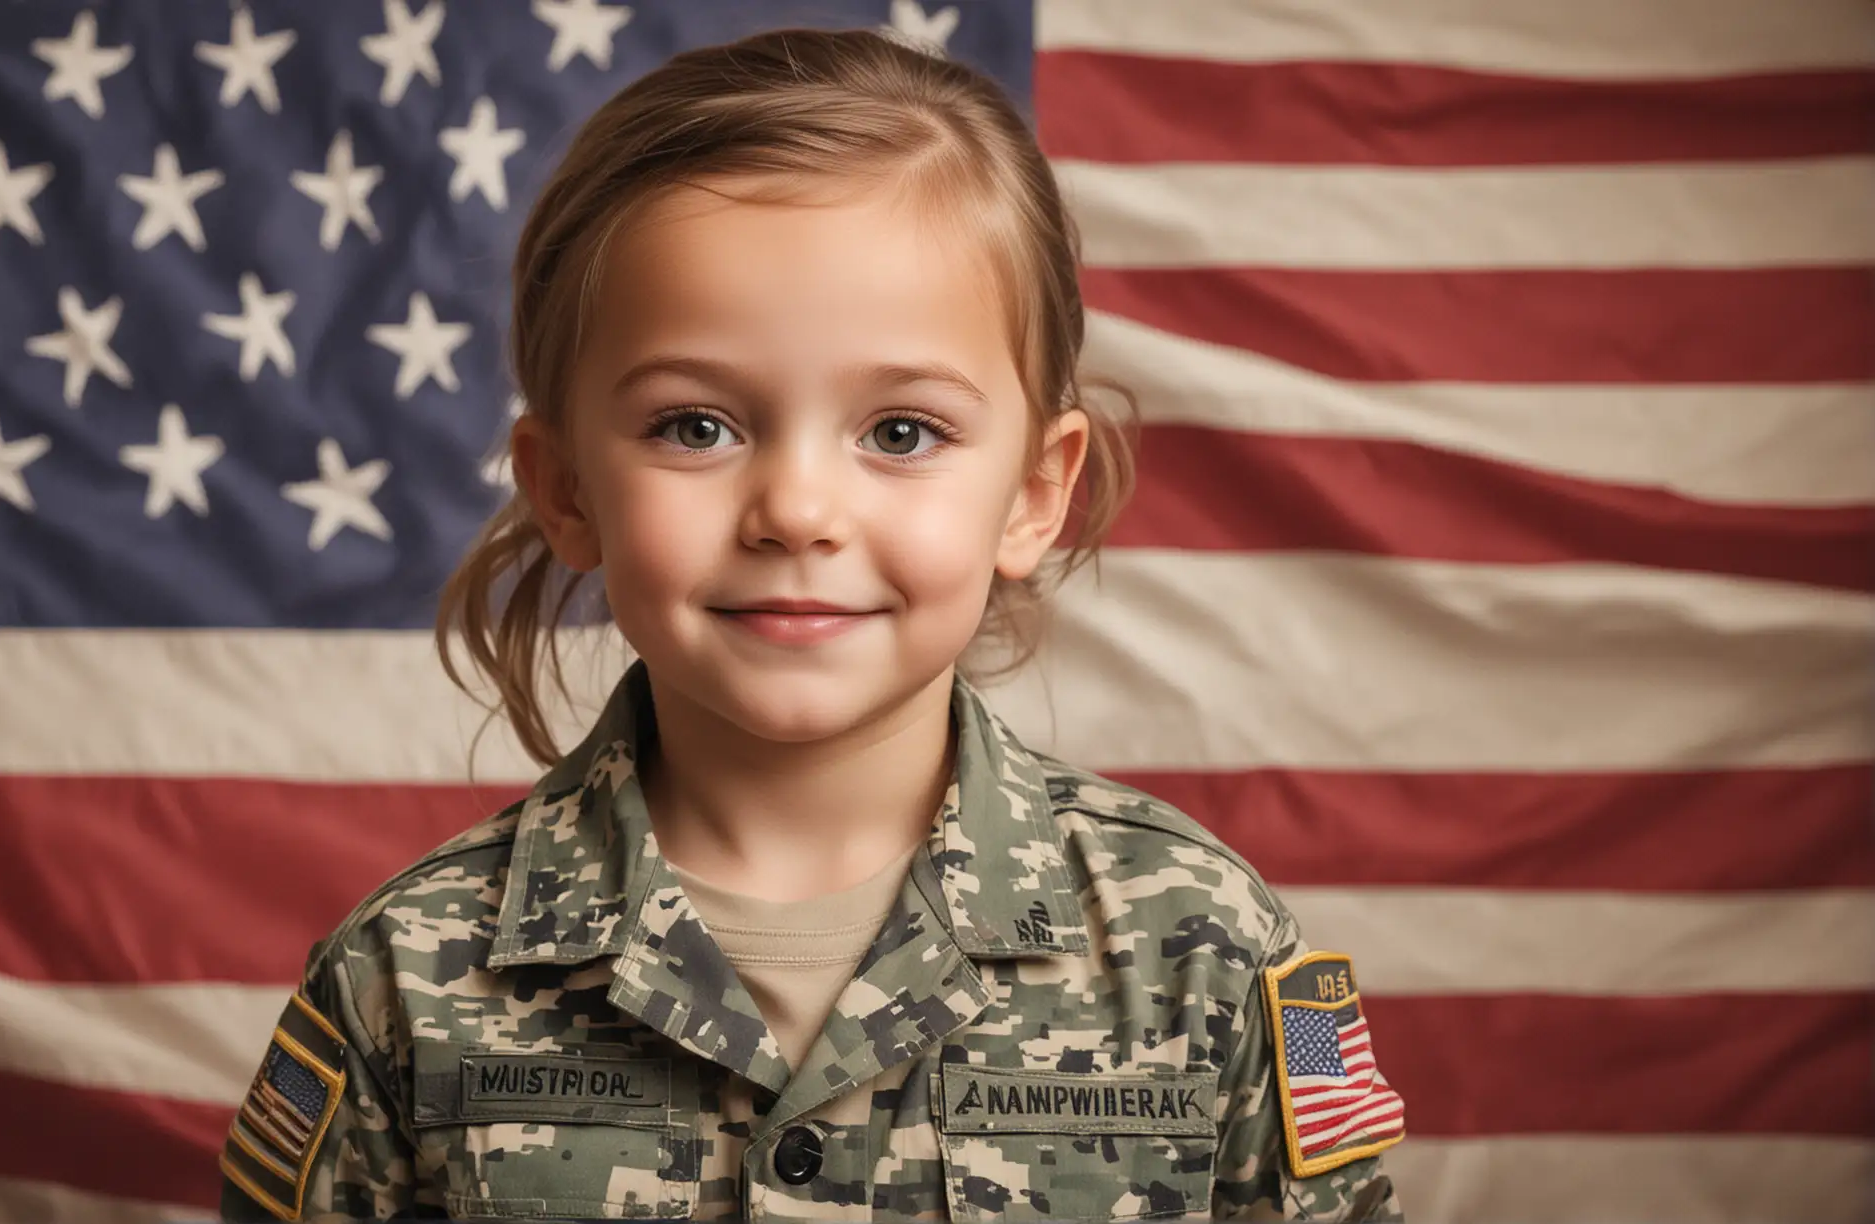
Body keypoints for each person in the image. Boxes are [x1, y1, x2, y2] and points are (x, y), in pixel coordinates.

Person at [218, 26, 1405, 1222]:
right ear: (566, 489)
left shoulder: (1210, 950)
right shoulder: (403, 978)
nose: (795, 510)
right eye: (694, 426)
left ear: (1035, 495)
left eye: (900, 433)